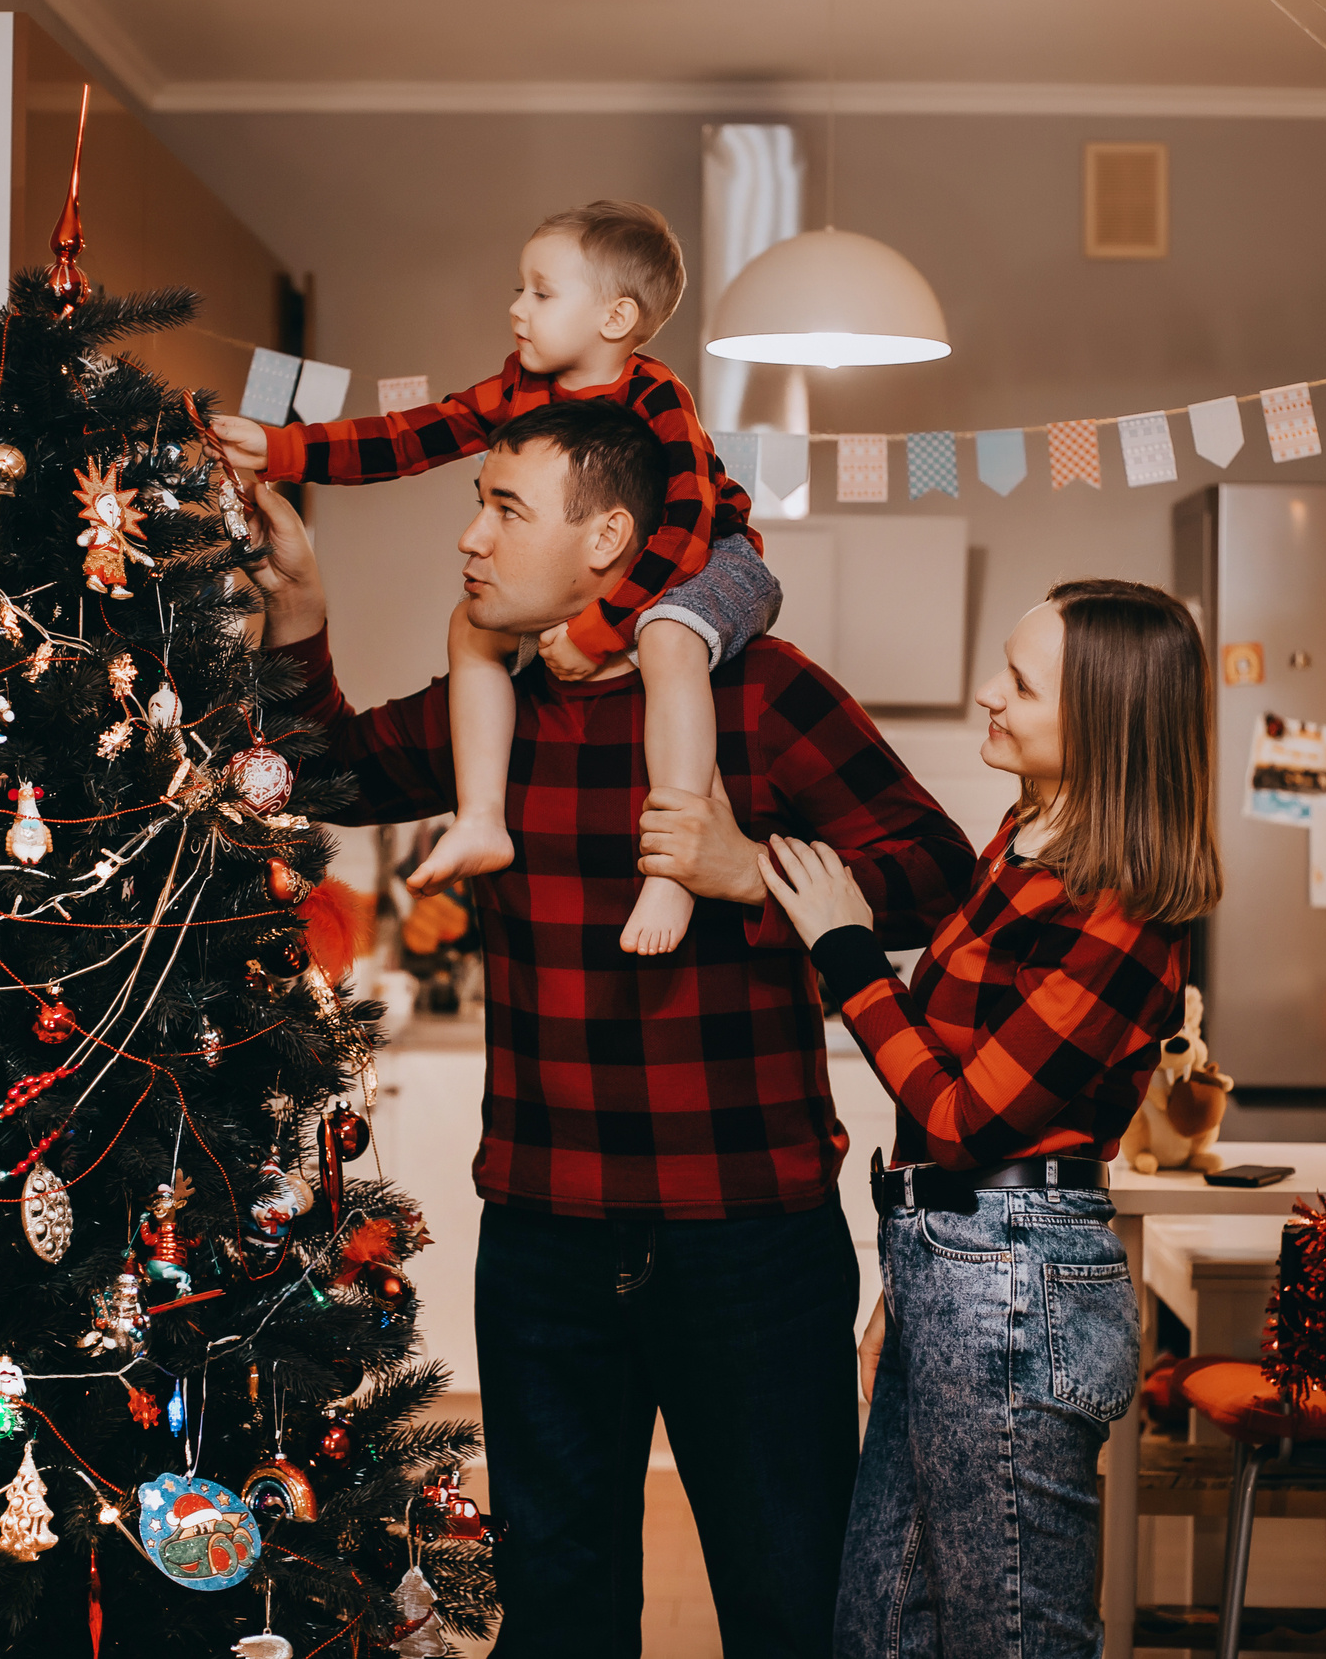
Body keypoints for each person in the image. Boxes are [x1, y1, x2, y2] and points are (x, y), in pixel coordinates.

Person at [237, 397, 976, 1659]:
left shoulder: (764, 695)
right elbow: (320, 776)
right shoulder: (495, 706)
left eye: (505, 509)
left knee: (788, 1600)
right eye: (477, 503)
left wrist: (753, 870)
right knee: (561, 1611)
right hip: (544, 1244)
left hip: (752, 1241)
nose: (469, 538)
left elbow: (936, 871)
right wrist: (298, 611)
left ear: (606, 539)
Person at [755, 580, 1222, 1659]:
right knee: (880, 1628)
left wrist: (843, 946)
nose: (986, 696)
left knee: (1012, 1636)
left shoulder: (1119, 910)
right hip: (956, 1265)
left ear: (1101, 717)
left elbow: (965, 1113)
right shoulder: (1019, 840)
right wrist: (909, 1286)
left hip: (1011, 1276)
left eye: (1019, 682)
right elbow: (948, 1087)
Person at [209, 200, 772, 955]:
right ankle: (481, 816)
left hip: (712, 554)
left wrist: (604, 628)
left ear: (615, 318)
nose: (516, 308)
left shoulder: (657, 399)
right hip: (630, 581)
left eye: (542, 292)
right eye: (520, 288)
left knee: (670, 637)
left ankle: (671, 867)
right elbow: (412, 435)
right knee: (469, 623)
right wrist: (283, 450)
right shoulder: (520, 388)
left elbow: (683, 531)